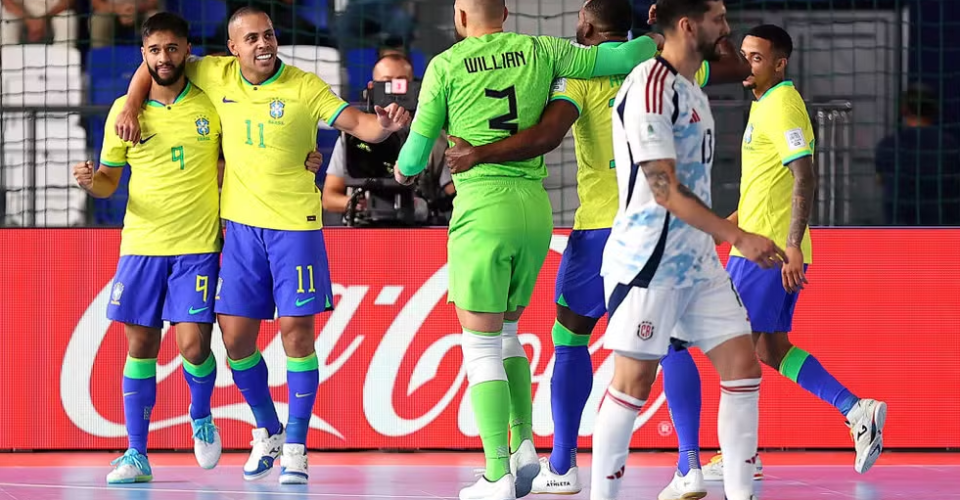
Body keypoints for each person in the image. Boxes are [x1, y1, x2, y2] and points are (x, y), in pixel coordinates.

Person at [441, 0, 751, 495]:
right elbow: (735, 65)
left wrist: (477, 152)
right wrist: (711, 23)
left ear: (585, 24)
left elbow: (544, 136)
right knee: (668, 342)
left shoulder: (574, 79)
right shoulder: (667, 69)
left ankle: (562, 466)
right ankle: (689, 464)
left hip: (600, 232)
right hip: (669, 227)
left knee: (570, 338)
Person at [113, 5, 410, 484]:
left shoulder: (304, 85)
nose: (263, 44)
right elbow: (154, 65)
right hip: (240, 231)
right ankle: (267, 428)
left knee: (296, 334)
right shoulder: (214, 73)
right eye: (251, 38)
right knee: (234, 339)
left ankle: (295, 445)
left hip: (295, 226)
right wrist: (130, 105)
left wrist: (389, 126)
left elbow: (359, 124)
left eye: (268, 35)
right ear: (233, 48)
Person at [394, 0, 659, 498]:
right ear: (507, 13)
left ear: (460, 15)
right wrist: (650, 38)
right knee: (510, 333)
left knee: (480, 345)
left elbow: (414, 153)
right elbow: (627, 56)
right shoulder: (544, 49)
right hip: (534, 213)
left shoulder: (446, 65)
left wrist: (402, 171)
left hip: (483, 210)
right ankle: (523, 449)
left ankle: (496, 474)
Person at [661, 24, 888, 485]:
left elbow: (804, 177)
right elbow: (763, 189)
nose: (747, 64)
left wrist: (790, 248)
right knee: (768, 348)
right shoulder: (763, 104)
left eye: (758, 57)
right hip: (755, 246)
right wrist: (721, 231)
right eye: (744, 55)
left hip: (767, 255)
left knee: (729, 349)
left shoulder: (783, 104)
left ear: (779, 62)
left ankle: (741, 454)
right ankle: (855, 409)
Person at [591, 0, 789, 499]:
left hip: (697, 260)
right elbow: (662, 187)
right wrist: (739, 236)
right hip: (649, 260)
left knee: (743, 369)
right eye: (719, 18)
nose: (727, 28)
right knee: (632, 386)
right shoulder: (650, 86)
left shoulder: (691, 85)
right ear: (687, 25)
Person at [72, 12, 224, 484]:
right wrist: (90, 181)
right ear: (144, 55)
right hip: (142, 245)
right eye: (155, 50)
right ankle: (136, 454)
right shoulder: (124, 110)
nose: (164, 58)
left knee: (193, 345)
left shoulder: (210, 102)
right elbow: (108, 183)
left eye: (172, 48)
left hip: (198, 244)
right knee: (141, 345)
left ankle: (201, 416)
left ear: (186, 50)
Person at [323, 54, 455, 223]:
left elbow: (452, 190)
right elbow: (329, 198)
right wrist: (365, 205)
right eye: (387, 82)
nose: (394, 89)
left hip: (419, 231)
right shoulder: (354, 138)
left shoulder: (434, 136)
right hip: (363, 231)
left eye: (401, 82)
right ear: (372, 87)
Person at [875, 83, 960, 226]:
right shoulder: (949, 145)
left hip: (899, 229)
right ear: (934, 110)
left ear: (904, 110)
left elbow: (880, 180)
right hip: (941, 227)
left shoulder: (888, 145)